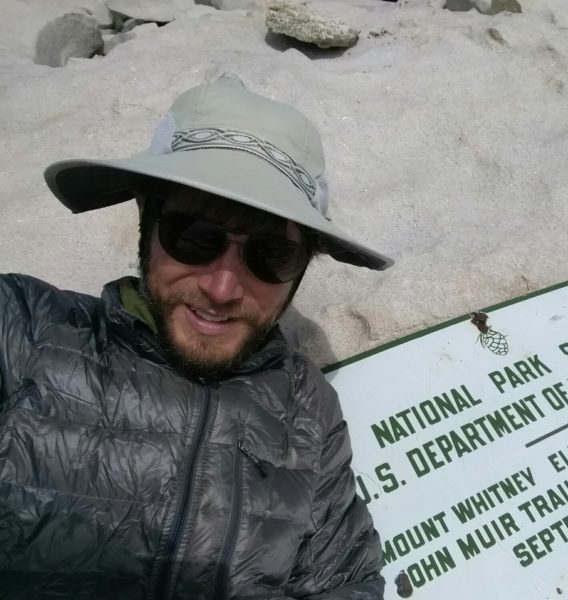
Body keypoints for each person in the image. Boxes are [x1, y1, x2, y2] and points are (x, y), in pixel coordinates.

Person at [0, 73, 392, 599]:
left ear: (301, 268)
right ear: (146, 220)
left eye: (270, 254)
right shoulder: (29, 328)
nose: (223, 287)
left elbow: (346, 583)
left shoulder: (307, 408)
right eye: (193, 236)